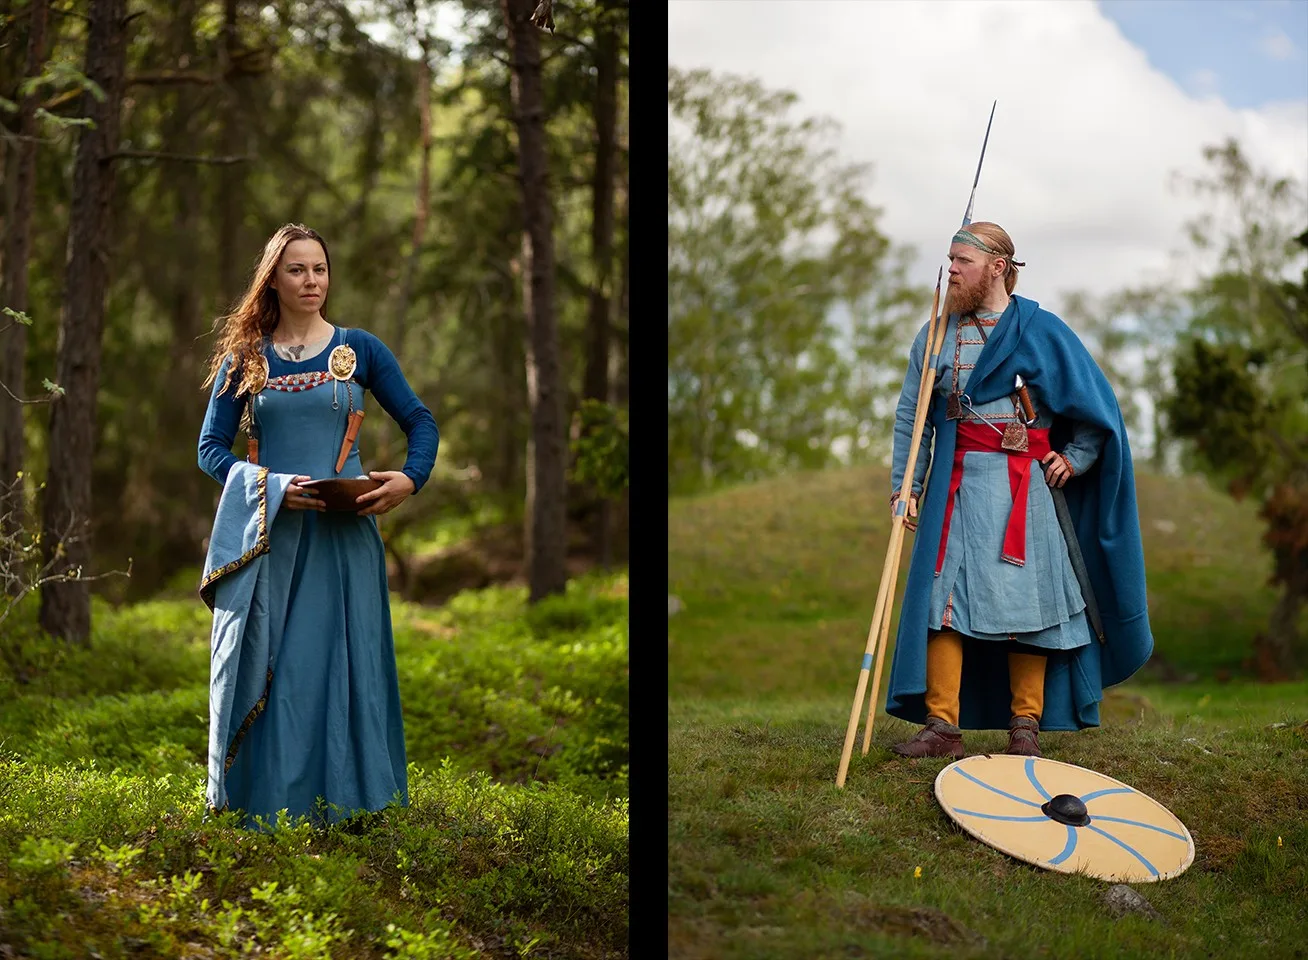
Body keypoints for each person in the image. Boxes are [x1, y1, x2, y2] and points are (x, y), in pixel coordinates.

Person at [197, 223, 439, 830]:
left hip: (346, 536)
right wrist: (271, 489)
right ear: (273, 280)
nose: (312, 281)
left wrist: (409, 480)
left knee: (348, 663)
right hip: (274, 538)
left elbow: (420, 422)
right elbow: (210, 448)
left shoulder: (359, 351)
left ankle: (358, 806)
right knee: (282, 668)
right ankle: (273, 807)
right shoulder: (246, 358)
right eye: (297, 270)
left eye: (320, 269)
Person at [883, 222, 1152, 759]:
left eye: (962, 259)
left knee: (1027, 607)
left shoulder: (1043, 331)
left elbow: (1099, 414)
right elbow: (914, 418)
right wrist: (905, 487)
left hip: (1024, 491)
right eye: (950, 258)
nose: (951, 268)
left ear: (998, 267)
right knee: (943, 604)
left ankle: (1025, 726)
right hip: (955, 490)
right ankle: (941, 727)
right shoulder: (934, 335)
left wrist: (1073, 459)